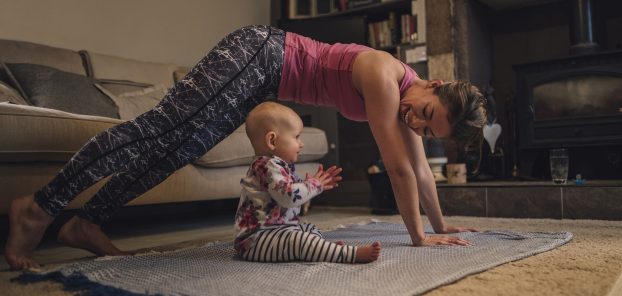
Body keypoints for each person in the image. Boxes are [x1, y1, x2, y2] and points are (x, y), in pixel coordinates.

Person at [5, 25, 488, 270]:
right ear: (433, 84)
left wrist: (442, 226)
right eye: (425, 113)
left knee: (177, 150)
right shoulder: (386, 75)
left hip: (261, 82)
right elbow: (399, 168)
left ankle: (87, 221)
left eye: (428, 130)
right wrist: (419, 238)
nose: (416, 123)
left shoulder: (409, 99)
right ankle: (40, 207)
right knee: (160, 129)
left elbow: (422, 169)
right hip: (259, 53)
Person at [234, 102, 380, 263]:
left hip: (277, 231)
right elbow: (288, 196)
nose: (301, 143)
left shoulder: (278, 166)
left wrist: (310, 184)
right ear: (272, 141)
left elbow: (292, 197)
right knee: (298, 240)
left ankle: (322, 249)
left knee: (309, 229)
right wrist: (315, 185)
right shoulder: (267, 166)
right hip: (256, 240)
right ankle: (348, 254)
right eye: (296, 137)